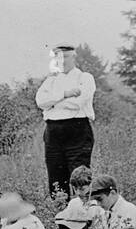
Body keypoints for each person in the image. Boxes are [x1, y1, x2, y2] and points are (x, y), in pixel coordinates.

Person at [35, 43, 96, 198]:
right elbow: (40, 101)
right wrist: (65, 93)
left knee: (80, 179)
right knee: (56, 182)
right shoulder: (51, 80)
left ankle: (84, 216)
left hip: (77, 132)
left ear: (74, 57)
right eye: (58, 57)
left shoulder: (85, 78)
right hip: (53, 133)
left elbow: (77, 103)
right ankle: (61, 218)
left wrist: (53, 103)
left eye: (66, 56)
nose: (62, 60)